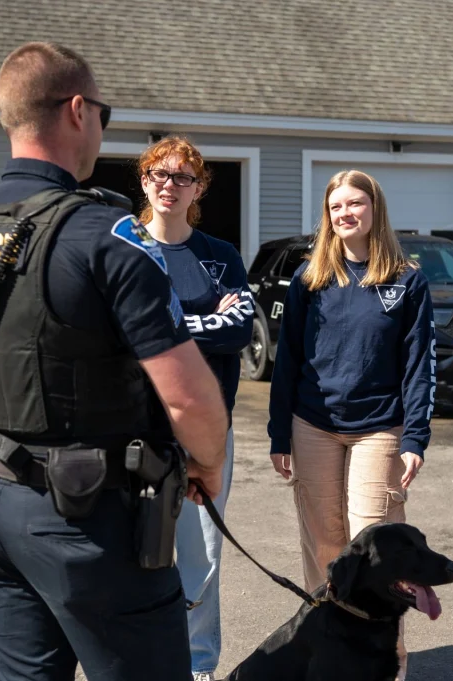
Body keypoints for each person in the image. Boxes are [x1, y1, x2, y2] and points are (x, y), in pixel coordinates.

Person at [0, 41, 229, 681]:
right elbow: (189, 399)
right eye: (103, 112)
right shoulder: (106, 236)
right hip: (87, 518)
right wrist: (204, 462)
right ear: (76, 111)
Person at [266, 169, 435, 680]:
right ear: (328, 215)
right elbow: (286, 360)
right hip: (313, 424)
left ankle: (389, 665)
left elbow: (419, 364)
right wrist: (279, 434)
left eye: (355, 203)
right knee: (325, 549)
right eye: (336, 206)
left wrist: (415, 438)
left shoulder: (406, 280)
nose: (345, 213)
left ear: (374, 209)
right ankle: (333, 659)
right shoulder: (309, 279)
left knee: (378, 552)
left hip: (379, 427)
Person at [136, 135, 254, 681]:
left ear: (198, 187)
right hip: (137, 431)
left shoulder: (220, 256)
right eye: (159, 174)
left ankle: (199, 666)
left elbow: (238, 332)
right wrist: (198, 325)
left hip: (207, 430)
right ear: (144, 180)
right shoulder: (126, 247)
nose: (169, 185)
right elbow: (122, 336)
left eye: (182, 177)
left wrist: (167, 326)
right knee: (135, 554)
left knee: (201, 555)